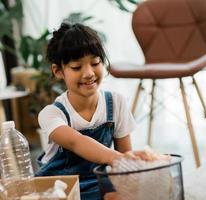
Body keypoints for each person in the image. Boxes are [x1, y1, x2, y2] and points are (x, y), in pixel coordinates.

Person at [36, 23, 144, 200]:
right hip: (60, 186)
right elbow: (77, 142)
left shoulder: (116, 103)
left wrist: (132, 167)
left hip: (99, 180)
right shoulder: (51, 114)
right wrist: (119, 159)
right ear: (58, 71)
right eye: (77, 67)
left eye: (95, 63)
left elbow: (124, 159)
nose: (88, 73)